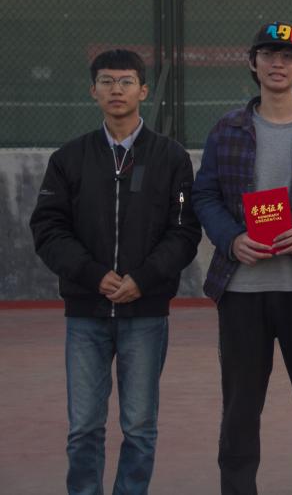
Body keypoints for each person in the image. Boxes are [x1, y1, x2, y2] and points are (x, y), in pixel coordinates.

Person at [30, 49, 201, 495]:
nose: (116, 90)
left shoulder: (171, 158)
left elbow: (184, 231)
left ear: (143, 90)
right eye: (106, 81)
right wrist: (91, 274)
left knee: (139, 427)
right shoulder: (69, 158)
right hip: (86, 314)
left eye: (126, 82)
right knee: (84, 428)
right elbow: (48, 229)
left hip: (146, 314)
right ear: (93, 91)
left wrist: (143, 279)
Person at [192, 22, 292, 495]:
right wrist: (231, 239)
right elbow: (205, 195)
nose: (278, 64)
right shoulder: (227, 129)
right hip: (242, 290)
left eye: (288, 56)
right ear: (252, 63)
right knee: (240, 411)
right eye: (268, 54)